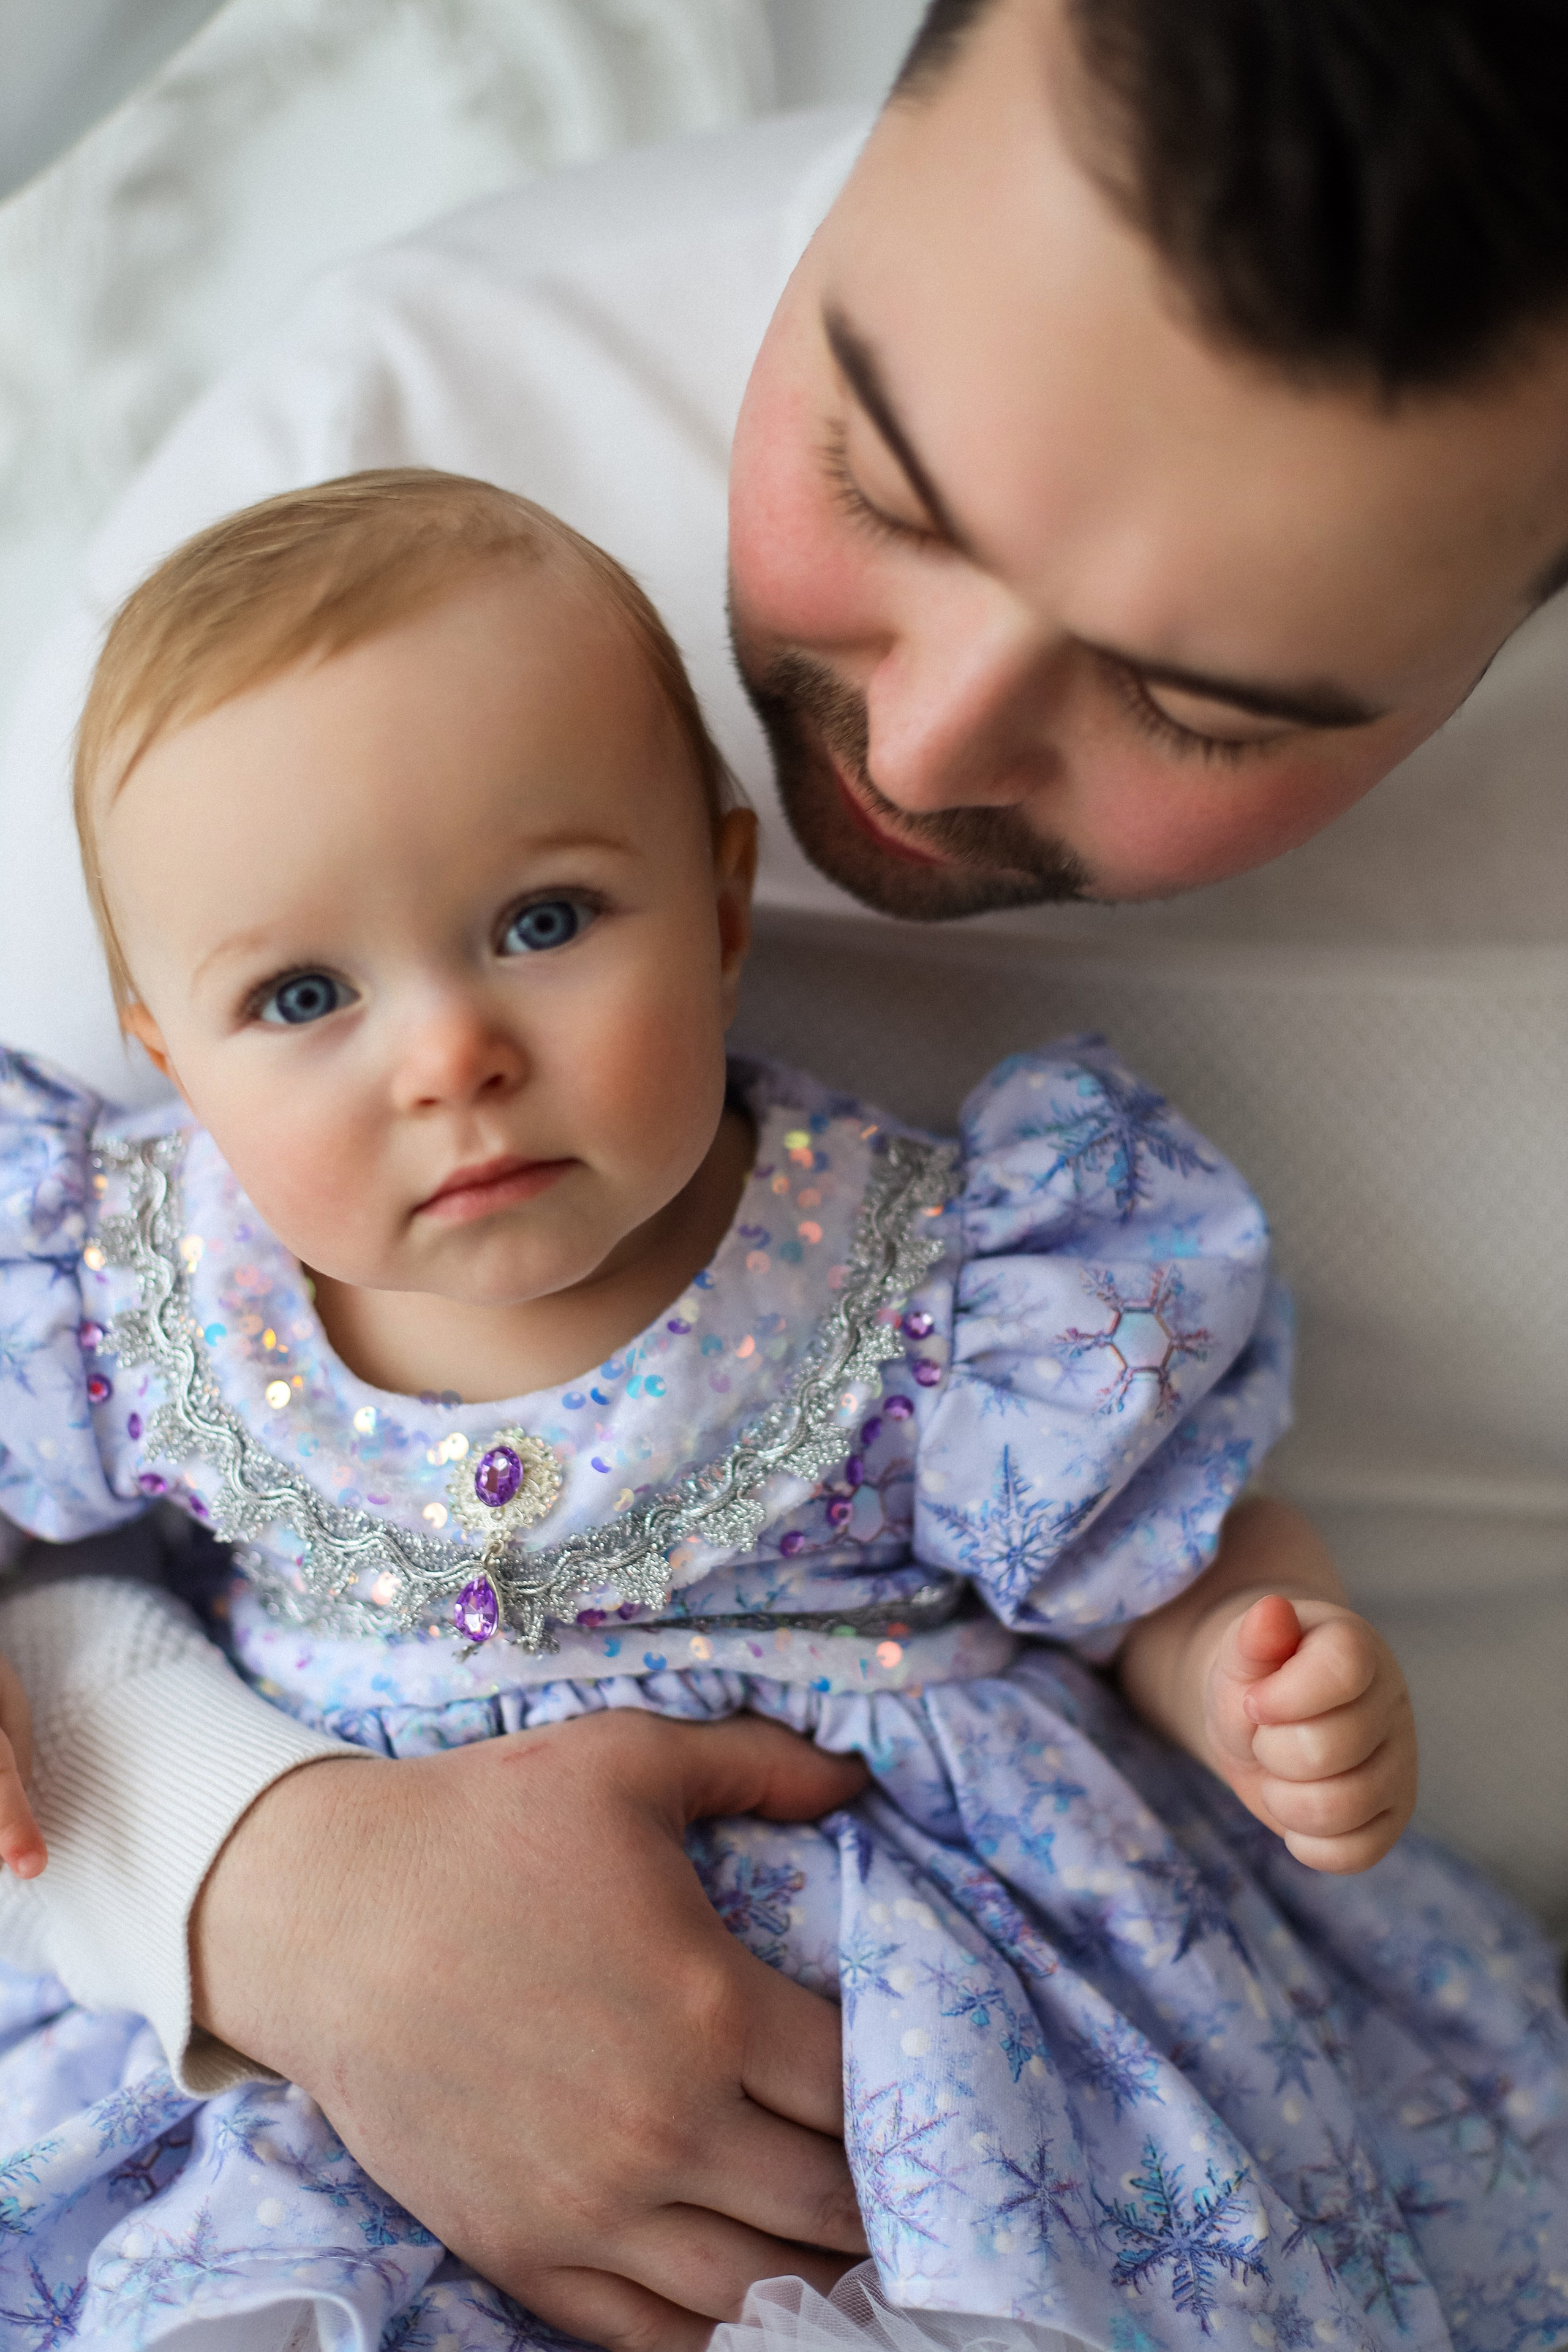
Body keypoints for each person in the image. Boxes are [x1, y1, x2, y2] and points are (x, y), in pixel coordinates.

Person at [1, 1, 1566, 2341]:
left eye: (1204, 704)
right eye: (884, 487)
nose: (927, 742)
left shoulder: (982, 1272)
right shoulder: (383, 469)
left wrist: (1250, 1660)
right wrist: (256, 1880)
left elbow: (1157, 1540)